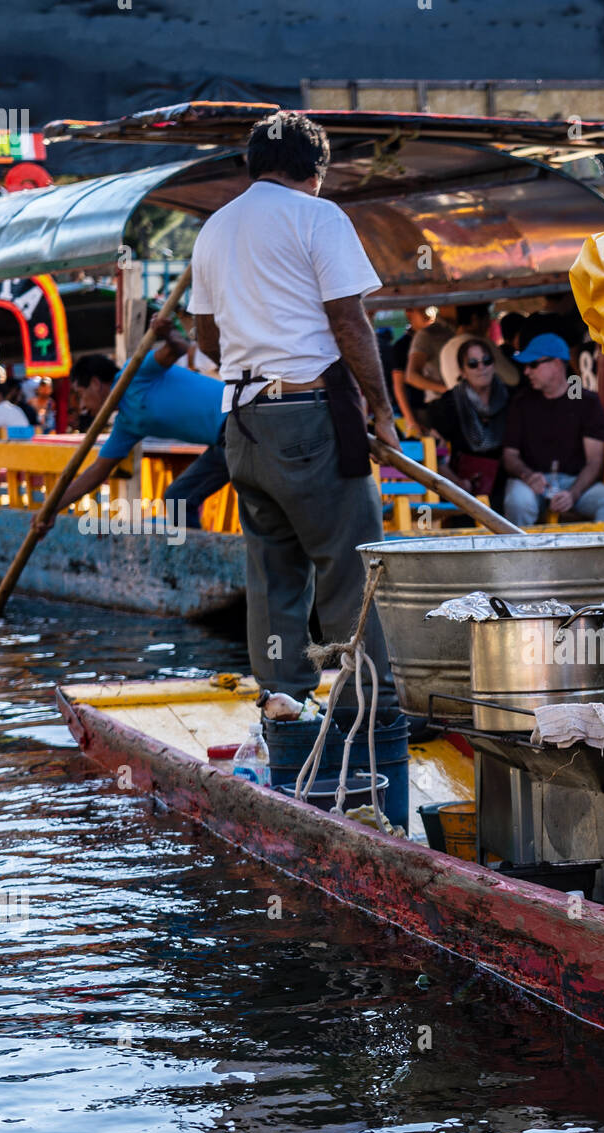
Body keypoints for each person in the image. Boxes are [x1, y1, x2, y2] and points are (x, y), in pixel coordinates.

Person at [188, 111, 400, 719]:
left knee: (275, 573)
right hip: (309, 414)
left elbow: (207, 336)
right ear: (316, 172)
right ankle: (373, 709)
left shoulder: (214, 230)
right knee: (350, 565)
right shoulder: (319, 216)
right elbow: (348, 320)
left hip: (244, 424)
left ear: (255, 167)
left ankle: (283, 695)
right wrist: (382, 411)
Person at [32, 316, 227, 529]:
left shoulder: (133, 373)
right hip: (223, 443)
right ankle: (194, 559)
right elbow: (97, 471)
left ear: (95, 384)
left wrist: (166, 333)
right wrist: (51, 508)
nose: (83, 407)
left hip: (238, 419)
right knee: (178, 499)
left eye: (80, 395)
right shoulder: (126, 424)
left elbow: (178, 348)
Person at [500, 332, 604, 526]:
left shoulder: (587, 402)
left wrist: (573, 494)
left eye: (533, 364)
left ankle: (601, 557)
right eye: (525, 365)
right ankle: (522, 557)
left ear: (557, 364)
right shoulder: (521, 401)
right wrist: (528, 476)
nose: (526, 371)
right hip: (532, 483)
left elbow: (595, 461)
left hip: (575, 484)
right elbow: (509, 455)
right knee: (518, 500)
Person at [426, 337, 512, 505]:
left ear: (494, 365)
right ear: (462, 371)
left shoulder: (510, 397)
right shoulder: (449, 403)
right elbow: (437, 456)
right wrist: (457, 483)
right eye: (473, 363)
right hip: (465, 487)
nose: (481, 368)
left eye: (486, 361)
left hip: (507, 480)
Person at [438, 302, 519, 391]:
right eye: (487, 318)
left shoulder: (445, 349)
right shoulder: (482, 344)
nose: (489, 324)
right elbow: (512, 378)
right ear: (475, 319)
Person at [402, 306, 456, 404]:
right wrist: (448, 390)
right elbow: (411, 376)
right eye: (421, 309)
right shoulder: (427, 334)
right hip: (442, 402)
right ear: (408, 313)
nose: (426, 314)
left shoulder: (452, 329)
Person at [391, 307, 432, 432]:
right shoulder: (402, 345)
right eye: (422, 310)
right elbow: (398, 385)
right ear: (409, 313)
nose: (429, 315)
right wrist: (410, 419)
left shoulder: (436, 337)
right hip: (421, 411)